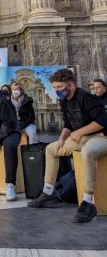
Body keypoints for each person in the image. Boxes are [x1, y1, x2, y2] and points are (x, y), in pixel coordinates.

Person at [28, 68, 107, 223]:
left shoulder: (85, 97)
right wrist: (62, 138)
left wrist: (80, 132)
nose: (56, 90)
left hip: (101, 137)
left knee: (87, 152)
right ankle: (48, 192)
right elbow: (68, 123)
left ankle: (88, 202)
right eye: (54, 87)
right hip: (82, 137)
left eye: (59, 87)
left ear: (70, 85)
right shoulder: (64, 100)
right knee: (51, 149)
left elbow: (102, 121)